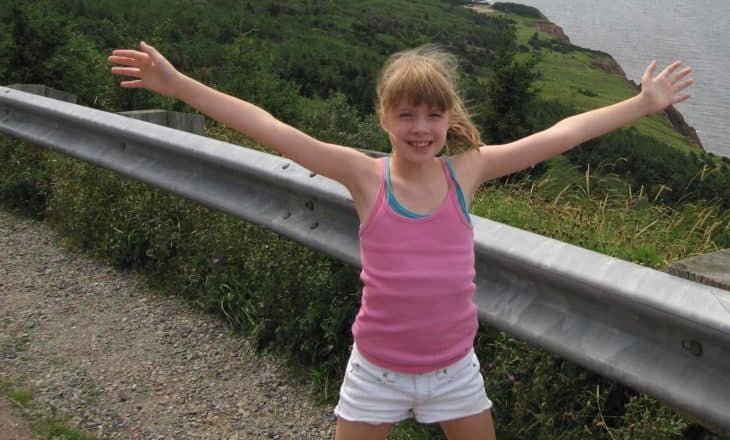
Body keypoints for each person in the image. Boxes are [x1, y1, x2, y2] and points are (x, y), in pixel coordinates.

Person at [108, 40, 694, 440]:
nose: (421, 128)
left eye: (434, 116)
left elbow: (561, 134)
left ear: (448, 120)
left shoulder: (467, 171)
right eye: (407, 115)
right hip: (377, 372)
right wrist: (178, 85)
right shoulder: (366, 177)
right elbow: (272, 129)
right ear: (385, 118)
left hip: (454, 372)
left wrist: (641, 104)